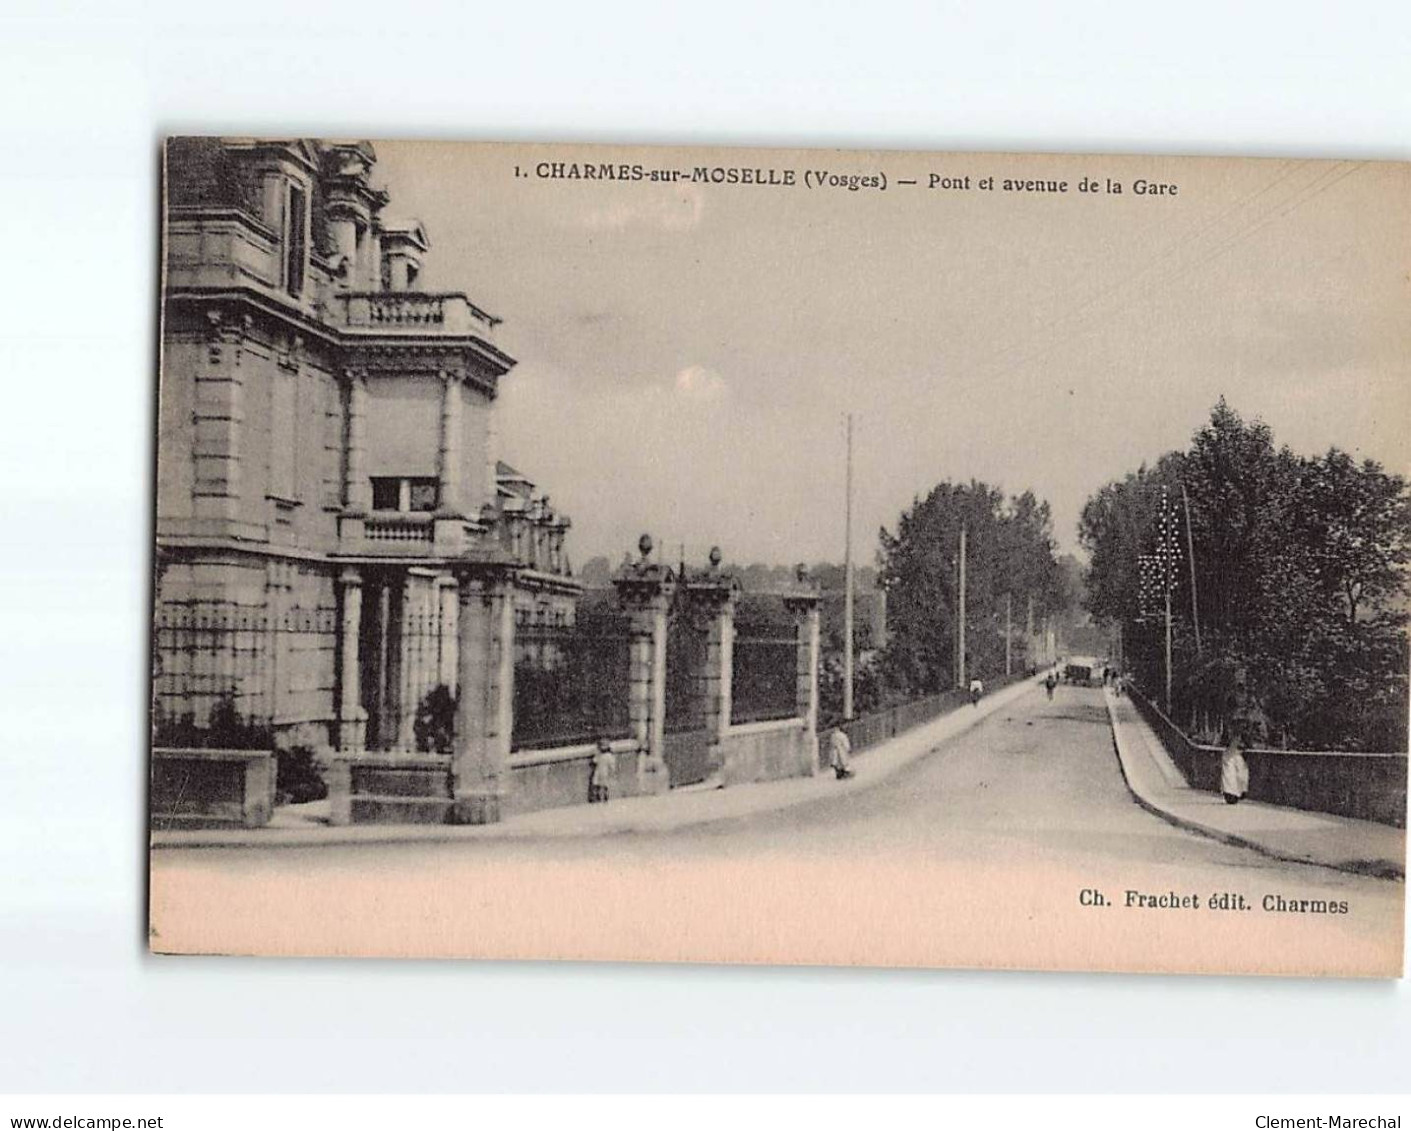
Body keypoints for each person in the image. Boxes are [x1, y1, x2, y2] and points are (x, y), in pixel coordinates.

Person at [589, 736, 617, 804]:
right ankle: (601, 797)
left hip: (601, 771)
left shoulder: (603, 755)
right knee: (601, 784)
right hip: (601, 771)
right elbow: (612, 765)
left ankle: (601, 797)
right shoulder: (605, 755)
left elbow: (594, 761)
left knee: (600, 784)